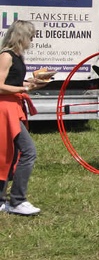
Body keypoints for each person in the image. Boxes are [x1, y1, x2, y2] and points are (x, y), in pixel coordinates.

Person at [0, 20, 51, 216]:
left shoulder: (17, 56)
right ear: (21, 36)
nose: (32, 40)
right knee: (28, 152)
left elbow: (12, 81)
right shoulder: (6, 56)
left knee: (9, 154)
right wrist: (24, 88)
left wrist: (32, 82)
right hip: (5, 108)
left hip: (13, 107)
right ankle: (17, 200)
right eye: (31, 36)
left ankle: (2, 199)